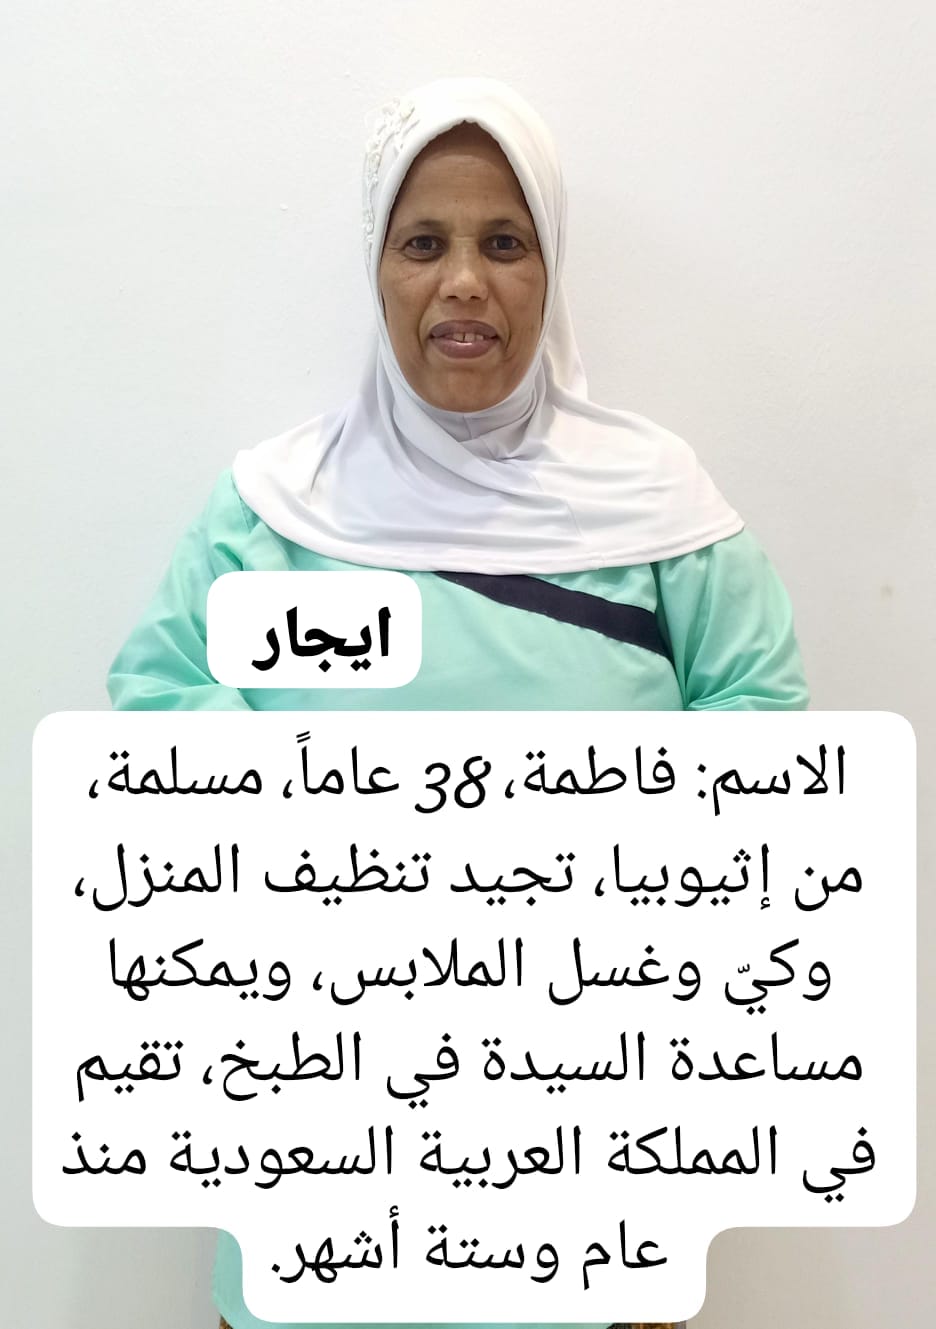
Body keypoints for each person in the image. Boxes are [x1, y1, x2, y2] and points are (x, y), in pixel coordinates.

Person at [108, 76, 806, 1329]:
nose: (465, 283)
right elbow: (159, 702)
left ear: (552, 267)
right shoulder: (272, 508)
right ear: (377, 270)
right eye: (423, 243)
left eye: (506, 243)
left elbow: (763, 732)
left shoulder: (661, 512)